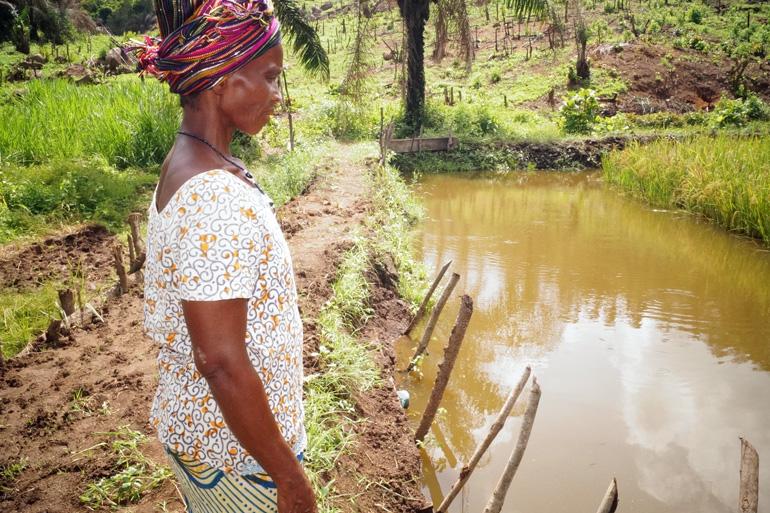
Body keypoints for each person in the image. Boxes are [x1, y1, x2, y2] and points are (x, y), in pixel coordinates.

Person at [132, 0, 316, 511]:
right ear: (219, 80)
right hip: (236, 456)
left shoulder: (192, 159)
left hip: (219, 438)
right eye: (271, 76)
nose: (278, 95)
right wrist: (289, 476)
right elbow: (219, 361)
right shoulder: (213, 196)